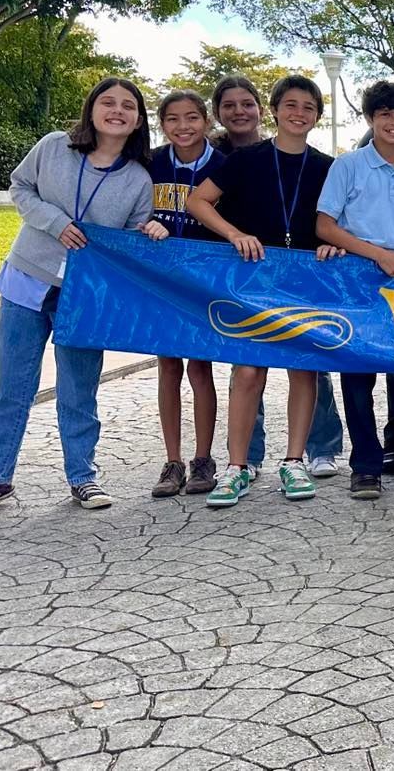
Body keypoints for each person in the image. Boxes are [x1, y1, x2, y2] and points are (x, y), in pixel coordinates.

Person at [0, 78, 155, 518]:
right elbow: (20, 187)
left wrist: (147, 232)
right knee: (12, 388)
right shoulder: (54, 146)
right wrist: (55, 222)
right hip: (27, 282)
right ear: (91, 109)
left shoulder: (138, 180)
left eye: (128, 106)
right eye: (108, 102)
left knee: (78, 388)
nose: (117, 110)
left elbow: (129, 242)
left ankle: (82, 476)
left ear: (138, 121)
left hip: (84, 297)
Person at [186, 75, 338, 508]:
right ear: (275, 110)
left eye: (308, 107)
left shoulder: (329, 167)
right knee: (249, 372)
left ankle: (294, 461)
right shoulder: (245, 160)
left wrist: (334, 243)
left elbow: (339, 220)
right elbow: (197, 202)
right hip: (252, 280)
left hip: (304, 280)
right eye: (290, 105)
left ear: (317, 116)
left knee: (302, 370)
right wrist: (234, 234)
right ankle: (237, 466)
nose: (298, 113)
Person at [315, 81, 394, 499]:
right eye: (385, 114)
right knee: (358, 380)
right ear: (371, 119)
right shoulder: (348, 166)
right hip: (357, 281)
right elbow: (325, 226)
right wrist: (378, 255)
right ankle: (365, 467)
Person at [142, 89, 226, 498]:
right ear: (162, 125)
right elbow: (133, 209)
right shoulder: (150, 163)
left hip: (202, 281)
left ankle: (203, 459)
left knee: (200, 368)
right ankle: (172, 460)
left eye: (192, 117)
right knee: (169, 367)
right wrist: (147, 222)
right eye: (172, 119)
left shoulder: (222, 165)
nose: (183, 126)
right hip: (161, 280)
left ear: (206, 121)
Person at [212, 75, 265, 154]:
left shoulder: (278, 155)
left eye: (247, 104)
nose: (239, 112)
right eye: (229, 105)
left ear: (260, 111)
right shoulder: (207, 158)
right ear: (217, 114)